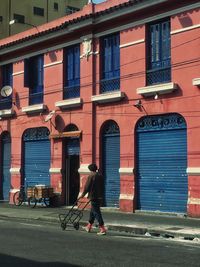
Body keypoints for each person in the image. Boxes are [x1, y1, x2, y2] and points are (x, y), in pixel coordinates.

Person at [79, 163, 106, 235]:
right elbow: (103, 186)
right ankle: (89, 226)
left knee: (96, 212)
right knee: (93, 211)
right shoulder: (100, 175)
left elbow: (87, 187)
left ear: (90, 169)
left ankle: (102, 228)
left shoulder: (91, 176)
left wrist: (82, 195)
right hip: (99, 196)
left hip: (93, 196)